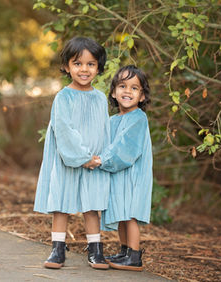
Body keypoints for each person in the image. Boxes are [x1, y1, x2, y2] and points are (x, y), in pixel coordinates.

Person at [33, 37, 110, 270]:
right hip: (68, 159)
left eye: (90, 64)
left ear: (98, 67)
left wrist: (98, 158)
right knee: (62, 203)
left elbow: (104, 130)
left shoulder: (100, 98)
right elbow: (64, 131)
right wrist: (81, 157)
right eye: (78, 63)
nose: (84, 69)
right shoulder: (63, 97)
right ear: (67, 66)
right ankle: (58, 248)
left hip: (93, 160)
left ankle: (95, 250)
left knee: (91, 204)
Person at [84, 65, 153, 271]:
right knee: (122, 214)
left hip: (132, 176)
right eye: (122, 86)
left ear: (141, 96)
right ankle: (124, 251)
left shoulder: (138, 119)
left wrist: (100, 161)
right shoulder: (113, 120)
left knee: (130, 215)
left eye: (134, 88)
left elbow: (125, 149)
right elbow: (103, 142)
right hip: (117, 177)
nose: (127, 91)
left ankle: (134, 255)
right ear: (114, 92)